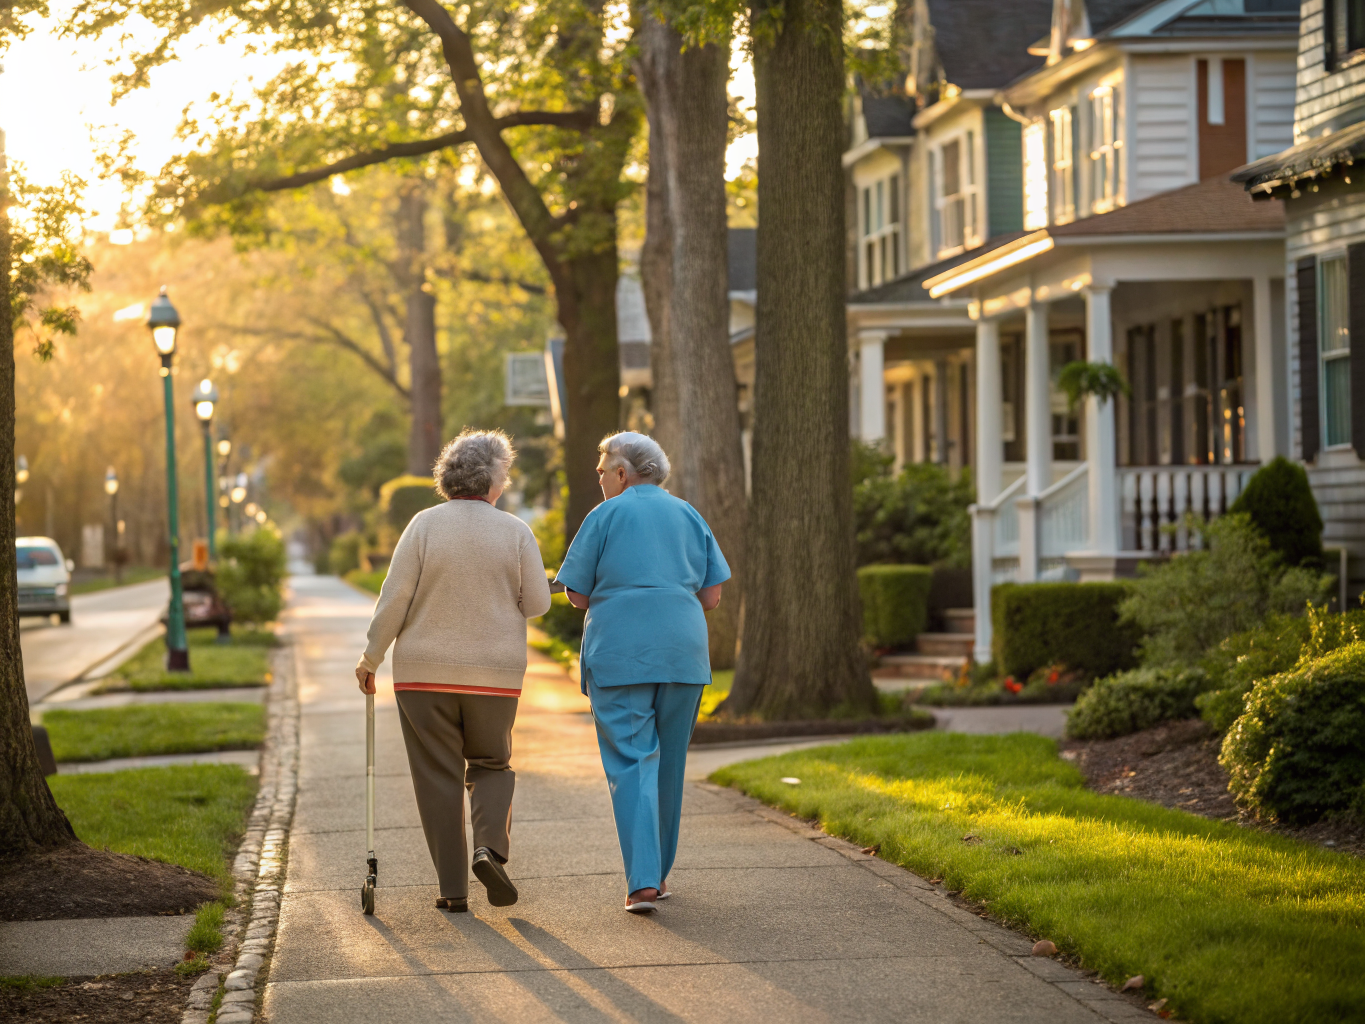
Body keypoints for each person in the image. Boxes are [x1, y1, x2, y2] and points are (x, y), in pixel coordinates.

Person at [355, 428, 551, 913]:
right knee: (491, 763)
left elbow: (394, 599)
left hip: (423, 675)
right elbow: (538, 605)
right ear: (493, 480)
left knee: (436, 775)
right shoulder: (515, 532)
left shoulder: (423, 526)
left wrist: (370, 658)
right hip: (495, 675)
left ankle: (452, 890)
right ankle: (489, 847)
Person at [555, 431, 729, 913]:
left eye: (602, 471)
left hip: (622, 654)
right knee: (669, 764)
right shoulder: (689, 514)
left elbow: (579, 595)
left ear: (622, 474)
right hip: (683, 653)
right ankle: (660, 873)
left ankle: (643, 882)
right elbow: (711, 596)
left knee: (631, 761)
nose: (599, 479)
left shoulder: (606, 515)